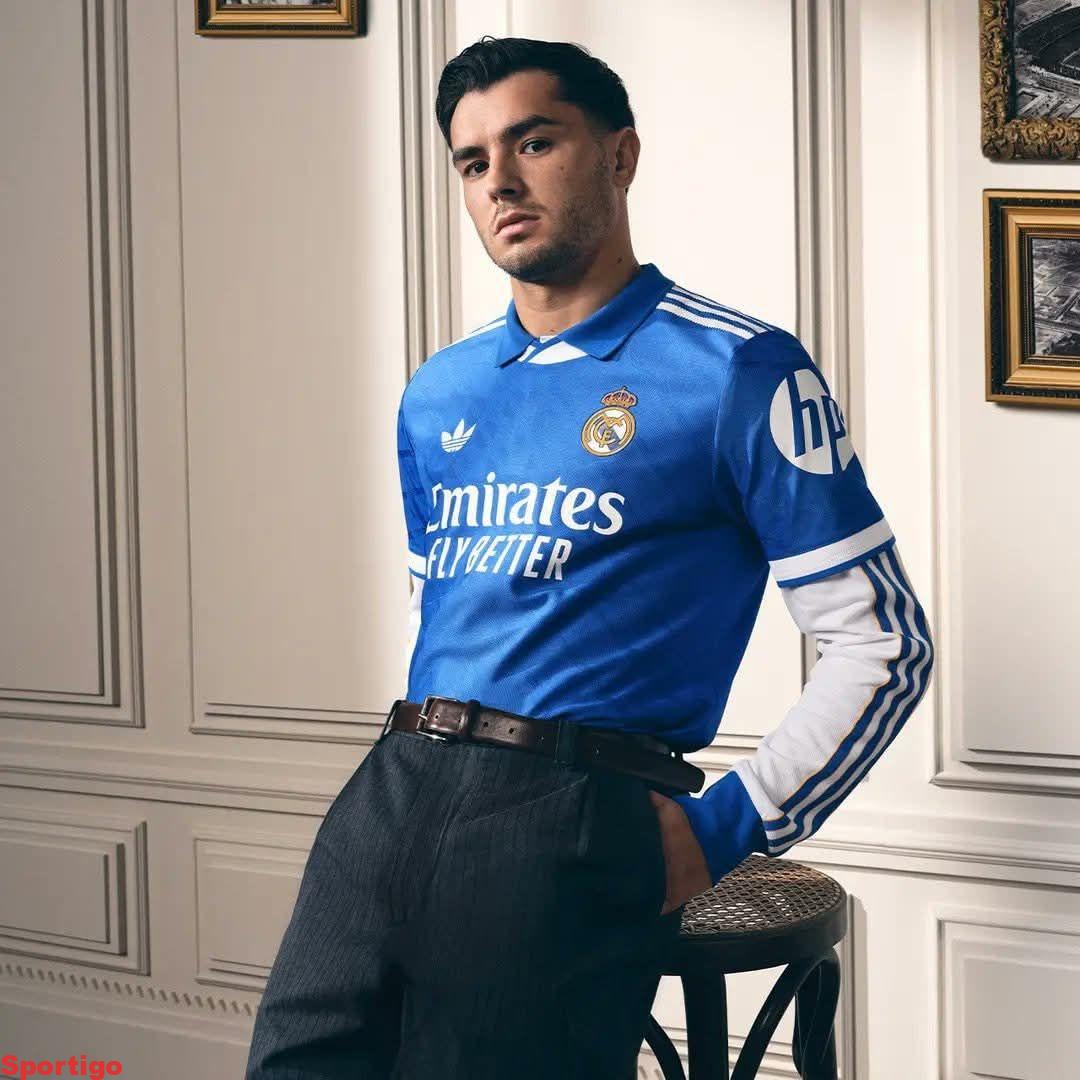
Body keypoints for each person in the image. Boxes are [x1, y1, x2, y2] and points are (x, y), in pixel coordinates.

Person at [245, 35, 934, 1079]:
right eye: (472, 160)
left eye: (534, 143)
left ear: (620, 155)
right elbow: (444, 611)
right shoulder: (440, 390)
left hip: (563, 820)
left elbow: (883, 644)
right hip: (388, 791)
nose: (499, 182)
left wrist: (725, 827)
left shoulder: (738, 370)